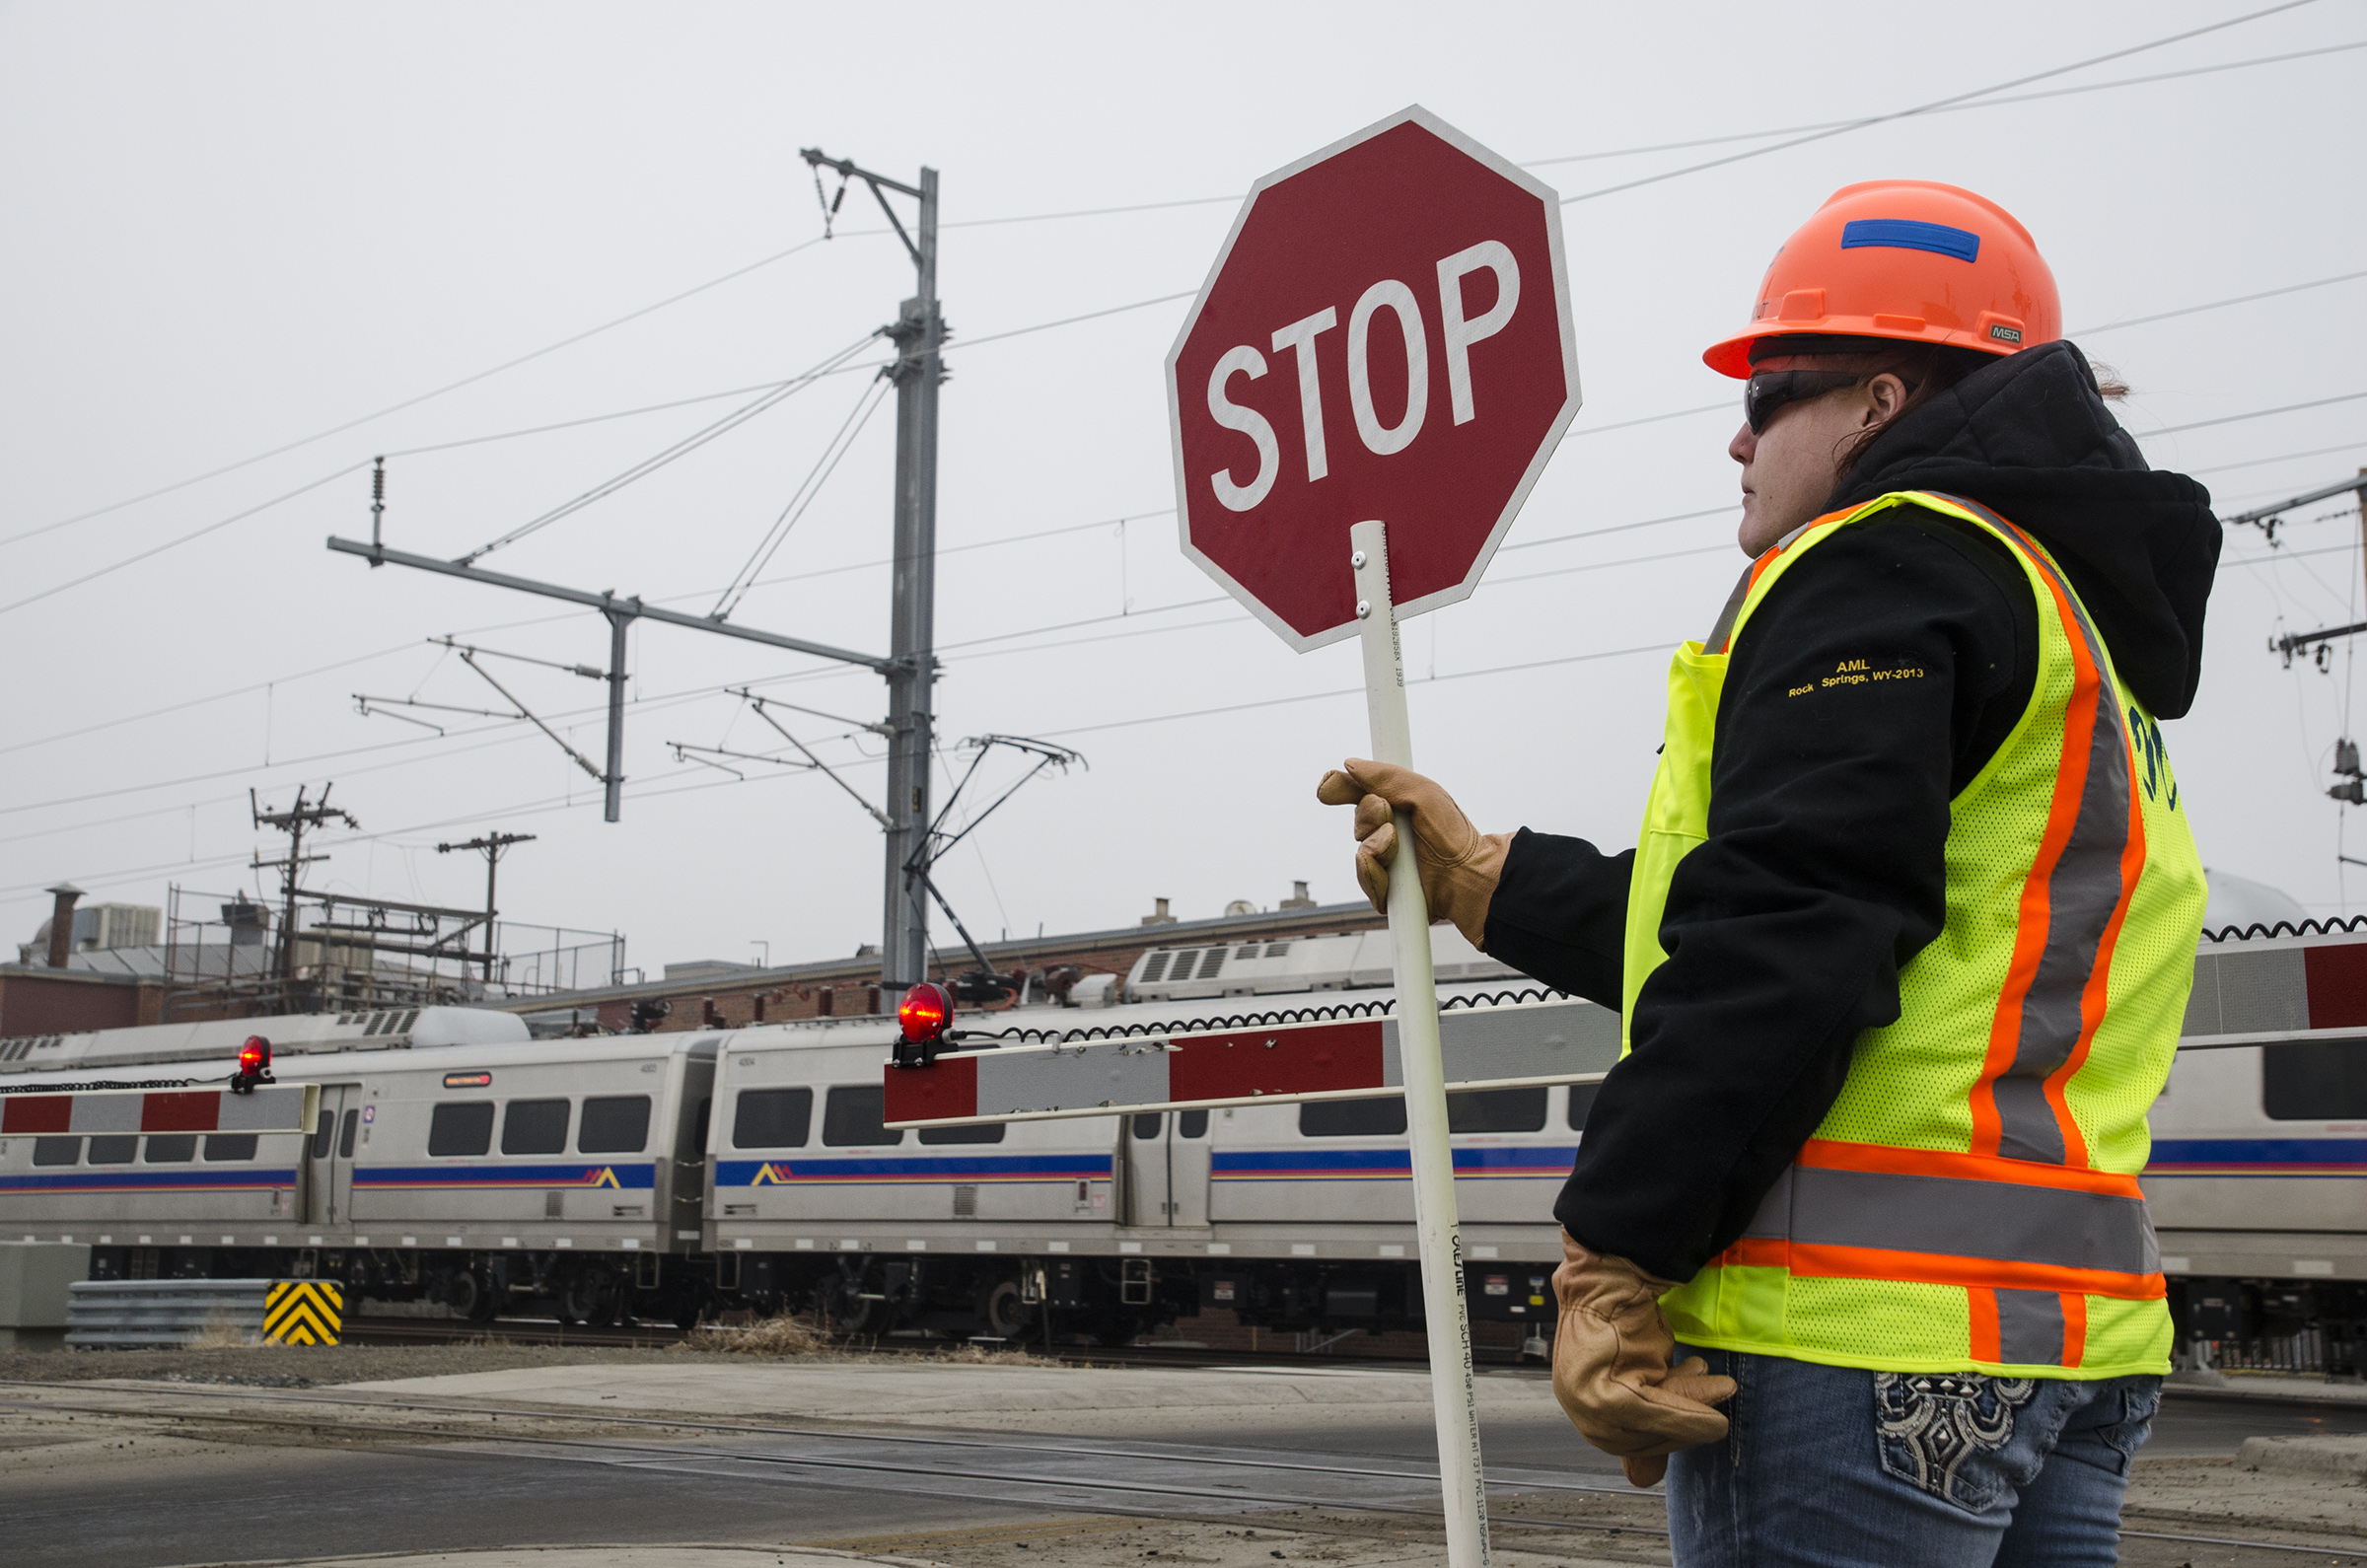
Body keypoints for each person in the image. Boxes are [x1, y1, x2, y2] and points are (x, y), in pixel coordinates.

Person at [1319, 180, 2220, 1567]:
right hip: (2071, 1343)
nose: (1736, 435)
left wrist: (1613, 1250)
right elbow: (1855, 916)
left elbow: (1788, 940)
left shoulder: (1876, 568)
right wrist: (1493, 878)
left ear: (1878, 399)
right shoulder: (2073, 639)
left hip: (1858, 1339)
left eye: (1771, 392)